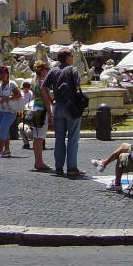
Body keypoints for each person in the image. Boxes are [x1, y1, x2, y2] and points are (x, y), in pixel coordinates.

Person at [42, 48, 84, 176]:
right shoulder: (72, 70)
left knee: (59, 139)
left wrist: (50, 100)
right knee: (73, 139)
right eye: (71, 55)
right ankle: (72, 167)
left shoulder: (53, 71)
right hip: (71, 108)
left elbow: (43, 87)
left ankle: (58, 167)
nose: (72, 57)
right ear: (67, 57)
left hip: (57, 107)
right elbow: (77, 87)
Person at [28, 60, 53, 171]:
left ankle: (37, 161)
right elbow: (45, 99)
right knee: (40, 138)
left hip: (35, 108)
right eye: (46, 69)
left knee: (36, 137)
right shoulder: (42, 82)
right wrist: (50, 113)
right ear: (41, 70)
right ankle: (39, 162)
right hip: (41, 110)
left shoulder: (33, 80)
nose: (48, 71)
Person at [0, 66, 21, 158]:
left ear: (7, 74)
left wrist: (7, 98)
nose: (2, 75)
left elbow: (18, 95)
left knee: (3, 129)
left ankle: (0, 150)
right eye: (0, 73)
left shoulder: (12, 84)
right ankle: (7, 150)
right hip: (1, 110)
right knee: (5, 130)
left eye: (4, 73)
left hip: (10, 111)